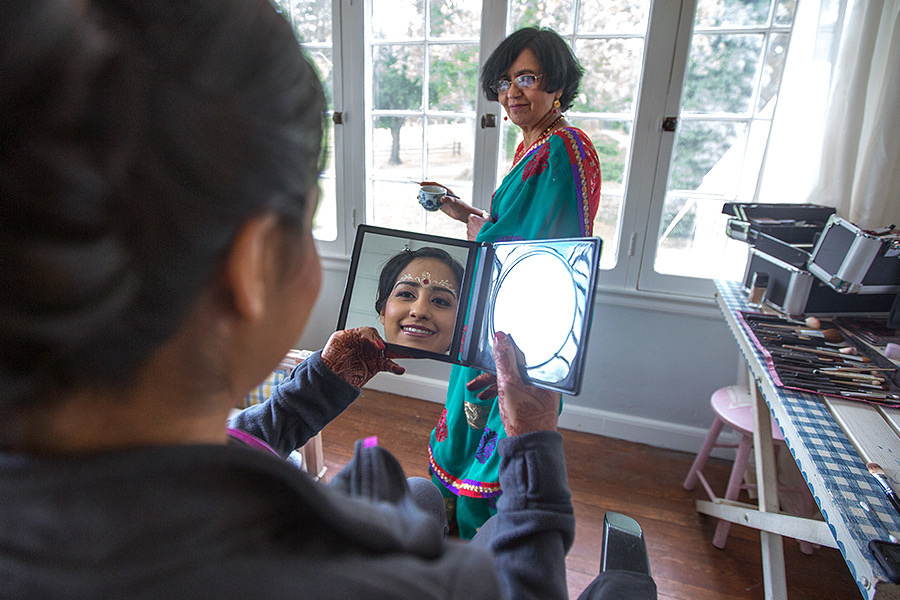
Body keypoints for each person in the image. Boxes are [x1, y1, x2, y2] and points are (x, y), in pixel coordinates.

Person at [0, 2, 656, 599]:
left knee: (423, 495)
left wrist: (312, 391)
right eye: (307, 218)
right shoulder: (432, 584)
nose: (515, 92)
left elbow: (201, 459)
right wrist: (537, 477)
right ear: (253, 266)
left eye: (528, 79)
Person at [424, 27, 603, 538]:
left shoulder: (560, 148)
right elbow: (519, 227)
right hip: (510, 300)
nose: (512, 92)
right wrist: (468, 214)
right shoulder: (539, 143)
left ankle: (491, 544)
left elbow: (524, 245)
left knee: (504, 418)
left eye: (527, 78)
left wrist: (479, 228)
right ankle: (462, 528)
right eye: (505, 82)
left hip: (523, 312)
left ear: (558, 86)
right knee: (481, 412)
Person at [375, 247, 465, 354]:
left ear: (461, 322)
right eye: (406, 294)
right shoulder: (354, 367)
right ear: (383, 311)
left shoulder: (476, 371)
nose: (419, 311)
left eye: (439, 301)